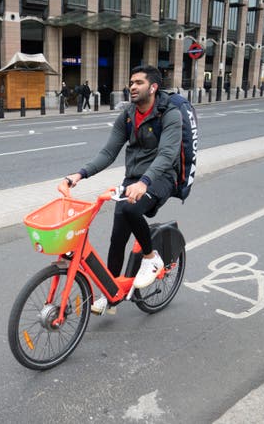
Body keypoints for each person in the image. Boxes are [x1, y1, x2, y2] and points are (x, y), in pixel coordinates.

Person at [61, 65, 181, 315]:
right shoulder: (128, 115)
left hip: (161, 177)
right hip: (134, 179)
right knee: (117, 237)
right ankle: (110, 293)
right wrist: (79, 174)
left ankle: (151, 257)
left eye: (138, 82)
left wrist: (145, 182)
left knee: (129, 207)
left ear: (153, 87)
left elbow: (168, 154)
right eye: (131, 82)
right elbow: (108, 152)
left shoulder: (169, 114)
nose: (133, 87)